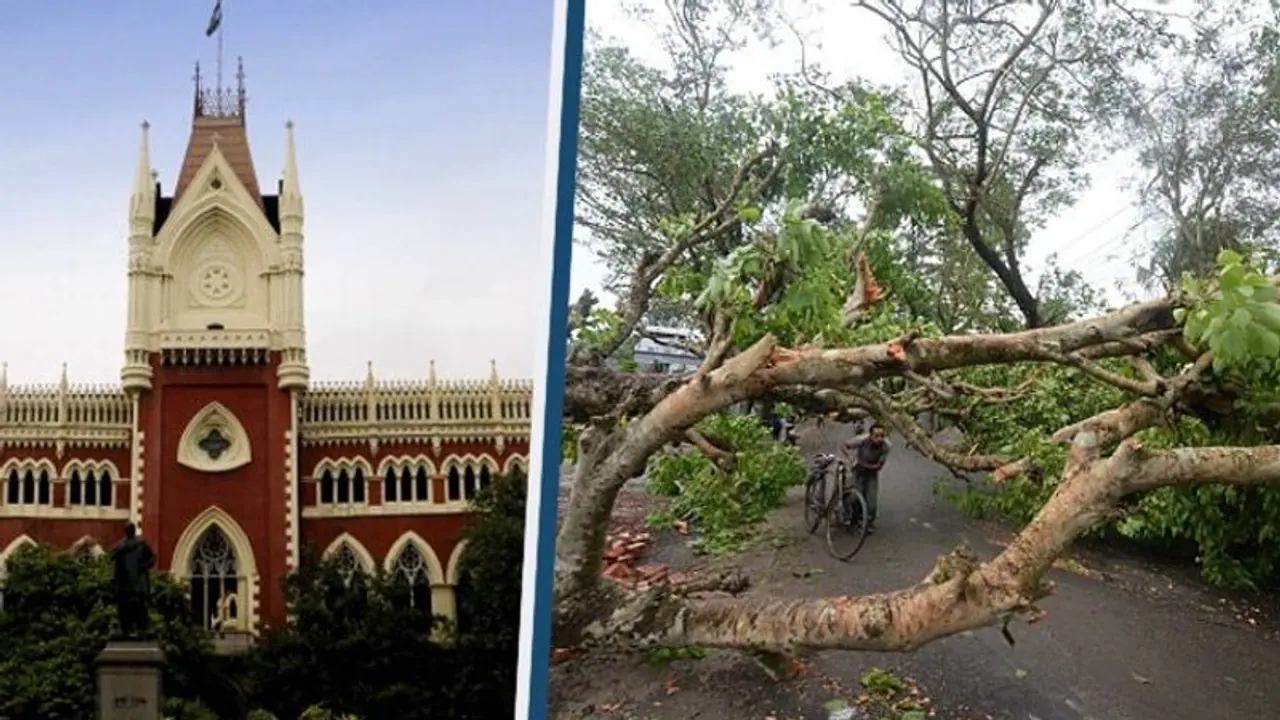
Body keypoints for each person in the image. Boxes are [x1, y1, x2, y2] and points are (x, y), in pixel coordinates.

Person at [840, 422, 891, 531]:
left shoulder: (886, 446)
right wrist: (851, 458)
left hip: (872, 472)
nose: (879, 439)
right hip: (858, 471)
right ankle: (850, 517)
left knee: (871, 500)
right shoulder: (862, 440)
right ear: (870, 435)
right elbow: (844, 445)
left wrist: (869, 465)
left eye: (882, 436)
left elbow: (880, 465)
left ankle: (868, 522)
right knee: (854, 496)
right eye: (876, 436)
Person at [110, 522, 156, 639]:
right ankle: (125, 629)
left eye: (132, 529)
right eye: (129, 529)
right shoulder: (120, 547)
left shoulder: (141, 544)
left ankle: (143, 628)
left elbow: (152, 558)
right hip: (124, 583)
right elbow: (114, 562)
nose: (131, 531)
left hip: (138, 582)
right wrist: (114, 580)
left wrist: (144, 565)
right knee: (124, 607)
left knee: (140, 606)